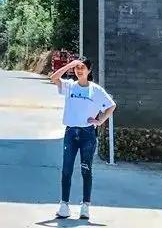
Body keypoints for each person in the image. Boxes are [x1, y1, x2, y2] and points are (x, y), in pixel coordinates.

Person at [50, 56, 116, 220]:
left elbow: (111, 105)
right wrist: (69, 65)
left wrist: (100, 120)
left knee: (86, 170)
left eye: (82, 68)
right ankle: (64, 205)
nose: (79, 70)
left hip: (87, 134)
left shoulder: (95, 90)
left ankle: (85, 206)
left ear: (89, 70)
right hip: (71, 133)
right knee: (66, 169)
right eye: (77, 68)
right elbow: (54, 78)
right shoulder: (69, 86)